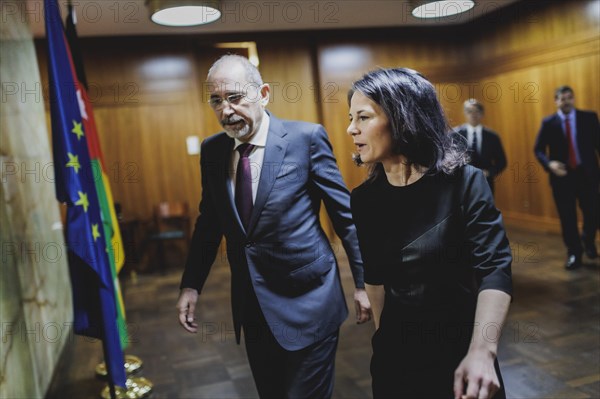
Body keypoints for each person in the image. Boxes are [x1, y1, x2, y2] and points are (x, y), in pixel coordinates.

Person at [176, 54, 371, 399]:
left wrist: (362, 283)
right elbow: (209, 223)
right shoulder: (213, 151)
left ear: (263, 93)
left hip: (309, 300)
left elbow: (346, 217)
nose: (226, 110)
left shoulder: (305, 139)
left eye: (235, 98)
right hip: (253, 308)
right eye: (216, 101)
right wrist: (191, 285)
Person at [347, 68, 513, 399]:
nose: (351, 129)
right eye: (351, 118)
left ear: (402, 118)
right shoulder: (364, 199)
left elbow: (494, 270)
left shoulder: (466, 183)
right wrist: (386, 344)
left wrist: (483, 352)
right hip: (397, 360)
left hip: (461, 351)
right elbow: (376, 279)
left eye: (363, 117)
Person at [534, 85, 599, 270]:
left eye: (569, 97)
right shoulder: (549, 123)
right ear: (556, 101)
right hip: (562, 177)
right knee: (568, 217)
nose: (566, 101)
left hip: (588, 176)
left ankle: (588, 240)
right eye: (562, 98)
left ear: (573, 99)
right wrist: (549, 165)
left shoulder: (589, 118)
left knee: (593, 213)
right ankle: (574, 253)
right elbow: (538, 149)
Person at [456, 99, 507, 194]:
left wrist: (489, 173)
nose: (473, 115)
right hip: (462, 183)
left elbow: (502, 162)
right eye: (469, 111)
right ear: (464, 113)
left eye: (477, 111)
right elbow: (450, 160)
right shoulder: (455, 135)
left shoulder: (492, 137)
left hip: (486, 183)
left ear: (482, 113)